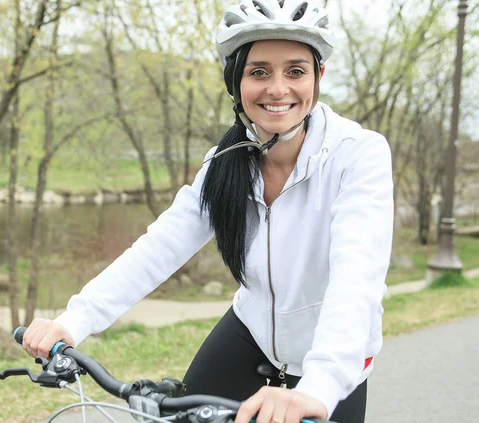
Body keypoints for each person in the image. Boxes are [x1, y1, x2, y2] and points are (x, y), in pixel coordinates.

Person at [21, 1, 394, 422]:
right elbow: (161, 245)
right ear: (234, 82)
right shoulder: (226, 161)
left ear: (318, 76)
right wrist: (74, 320)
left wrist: (320, 384)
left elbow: (356, 278)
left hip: (334, 359)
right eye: (258, 72)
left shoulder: (358, 156)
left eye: (295, 71)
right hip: (251, 332)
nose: (277, 88)